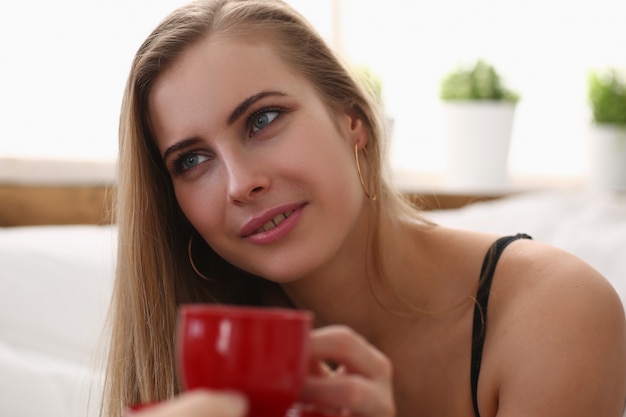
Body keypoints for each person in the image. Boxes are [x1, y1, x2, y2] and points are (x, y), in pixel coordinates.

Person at [104, 0, 626, 416]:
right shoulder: (196, 362)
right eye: (192, 159)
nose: (240, 184)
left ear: (351, 118)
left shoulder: (552, 311)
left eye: (263, 120)